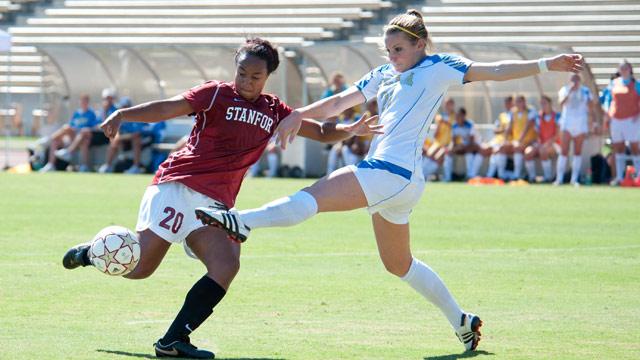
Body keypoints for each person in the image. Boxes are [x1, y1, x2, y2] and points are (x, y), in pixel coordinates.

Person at [195, 10, 583, 353]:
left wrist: (549, 64)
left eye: (399, 49)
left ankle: (242, 221)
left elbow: (495, 70)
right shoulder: (382, 74)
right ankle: (461, 321)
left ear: (420, 45)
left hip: (392, 172)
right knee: (398, 264)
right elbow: (337, 104)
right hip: (395, 180)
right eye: (389, 50)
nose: (392, 56)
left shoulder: (440, 66)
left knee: (314, 194)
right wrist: (296, 115)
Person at [60, 38, 381, 359]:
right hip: (178, 187)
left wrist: (350, 129)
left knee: (226, 264)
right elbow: (169, 107)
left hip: (214, 207)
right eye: (242, 73)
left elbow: (321, 132)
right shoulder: (214, 93)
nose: (246, 81)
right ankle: (92, 253)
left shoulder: (274, 111)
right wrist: (124, 113)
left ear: (268, 76)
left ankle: (172, 342)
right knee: (141, 268)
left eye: (255, 76)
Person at [603, 60, 640, 185]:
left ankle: (638, 177)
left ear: (630, 69)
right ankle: (619, 177)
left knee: (635, 148)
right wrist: (608, 115)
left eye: (626, 68)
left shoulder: (636, 84)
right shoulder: (614, 84)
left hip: (632, 119)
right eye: (621, 68)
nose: (624, 70)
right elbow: (608, 100)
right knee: (618, 148)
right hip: (616, 120)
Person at [39, 94, 98, 172]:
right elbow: (71, 125)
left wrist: (80, 129)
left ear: (88, 102)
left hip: (82, 137)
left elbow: (93, 127)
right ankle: (51, 165)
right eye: (82, 101)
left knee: (83, 139)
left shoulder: (91, 113)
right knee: (56, 140)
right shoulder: (77, 113)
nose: (83, 103)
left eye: (85, 101)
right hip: (72, 136)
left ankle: (77, 160)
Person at [554, 75, 595, 186]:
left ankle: (574, 179)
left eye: (577, 79)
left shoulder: (585, 91)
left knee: (577, 152)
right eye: (573, 79)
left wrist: (591, 121)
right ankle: (559, 178)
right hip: (567, 123)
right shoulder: (565, 89)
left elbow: (591, 107)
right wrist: (570, 92)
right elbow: (561, 103)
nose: (575, 81)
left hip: (580, 123)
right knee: (564, 151)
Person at [98, 97, 146, 174]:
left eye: (125, 107)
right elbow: (114, 130)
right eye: (122, 107)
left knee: (136, 140)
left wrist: (120, 137)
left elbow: (136, 134)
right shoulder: (119, 117)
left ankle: (136, 167)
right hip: (122, 141)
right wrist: (118, 137)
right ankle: (108, 166)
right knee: (114, 140)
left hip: (133, 140)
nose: (124, 109)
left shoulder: (136, 116)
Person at [525, 95, 561, 183]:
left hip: (555, 144)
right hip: (542, 144)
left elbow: (558, 134)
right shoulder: (538, 116)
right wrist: (538, 143)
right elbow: (537, 134)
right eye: (541, 104)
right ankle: (532, 178)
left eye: (545, 103)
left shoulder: (557, 115)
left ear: (550, 104)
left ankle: (548, 177)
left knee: (543, 151)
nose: (543, 106)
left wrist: (547, 143)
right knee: (528, 152)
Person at [501, 95, 537, 180]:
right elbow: (509, 127)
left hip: (530, 141)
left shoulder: (531, 111)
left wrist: (519, 141)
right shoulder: (513, 112)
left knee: (522, 150)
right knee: (501, 148)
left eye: (519, 101)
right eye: (516, 101)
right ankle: (501, 175)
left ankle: (527, 176)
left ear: (524, 102)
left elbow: (527, 127)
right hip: (517, 142)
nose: (517, 103)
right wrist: (505, 140)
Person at [450, 107, 490, 179]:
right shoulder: (454, 126)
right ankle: (470, 176)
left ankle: (472, 175)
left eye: (459, 116)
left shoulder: (470, 124)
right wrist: (455, 148)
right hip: (468, 147)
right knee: (468, 154)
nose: (456, 117)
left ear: (463, 116)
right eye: (456, 115)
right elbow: (454, 142)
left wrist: (461, 147)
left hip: (477, 144)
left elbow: (472, 143)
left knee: (481, 152)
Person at [422, 98, 454, 180]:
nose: (447, 106)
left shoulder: (454, 116)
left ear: (453, 105)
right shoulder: (439, 117)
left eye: (449, 104)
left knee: (441, 156)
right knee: (429, 154)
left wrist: (444, 122)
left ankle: (447, 178)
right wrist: (439, 126)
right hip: (438, 143)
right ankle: (423, 174)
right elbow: (436, 135)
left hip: (448, 144)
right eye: (446, 104)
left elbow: (454, 129)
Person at [485, 96, 513, 179]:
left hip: (509, 140)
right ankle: (492, 175)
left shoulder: (515, 114)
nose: (507, 104)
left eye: (509, 102)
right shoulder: (502, 115)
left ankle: (499, 175)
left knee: (498, 150)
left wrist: (506, 130)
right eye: (506, 103)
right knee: (484, 149)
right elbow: (495, 130)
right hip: (498, 140)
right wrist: (504, 129)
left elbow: (512, 130)